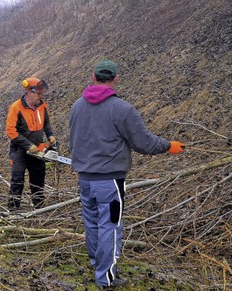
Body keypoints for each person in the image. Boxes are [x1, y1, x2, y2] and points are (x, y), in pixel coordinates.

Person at [69, 60, 185, 288]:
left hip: (84, 179)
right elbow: (144, 142)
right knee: (110, 226)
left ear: (93, 77)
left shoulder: (76, 107)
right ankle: (106, 277)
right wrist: (168, 146)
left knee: (92, 223)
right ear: (115, 78)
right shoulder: (123, 109)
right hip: (110, 181)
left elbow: (73, 141)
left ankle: (98, 264)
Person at [5, 77, 56, 210]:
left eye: (42, 94)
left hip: (38, 149)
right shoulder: (16, 107)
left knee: (38, 180)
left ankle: (39, 207)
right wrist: (28, 145)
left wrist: (50, 135)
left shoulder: (42, 106)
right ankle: (13, 209)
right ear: (29, 92)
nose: (41, 96)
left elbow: (46, 123)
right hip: (19, 150)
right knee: (17, 180)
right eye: (38, 94)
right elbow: (11, 131)